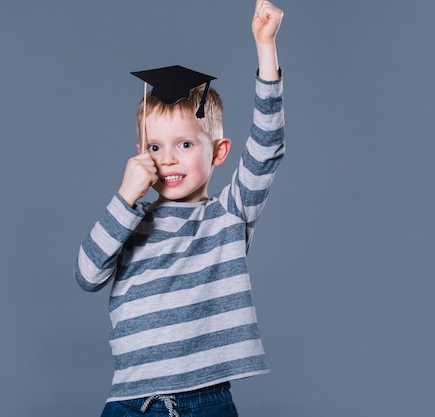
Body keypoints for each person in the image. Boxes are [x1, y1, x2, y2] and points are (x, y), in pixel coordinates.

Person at [74, 1, 284, 415]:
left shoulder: (229, 213)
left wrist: (266, 48)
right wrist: (124, 197)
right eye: (155, 147)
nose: (167, 158)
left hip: (206, 402)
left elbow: (267, 147)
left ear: (218, 152)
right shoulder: (128, 220)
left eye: (184, 144)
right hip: (129, 403)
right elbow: (85, 275)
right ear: (140, 154)